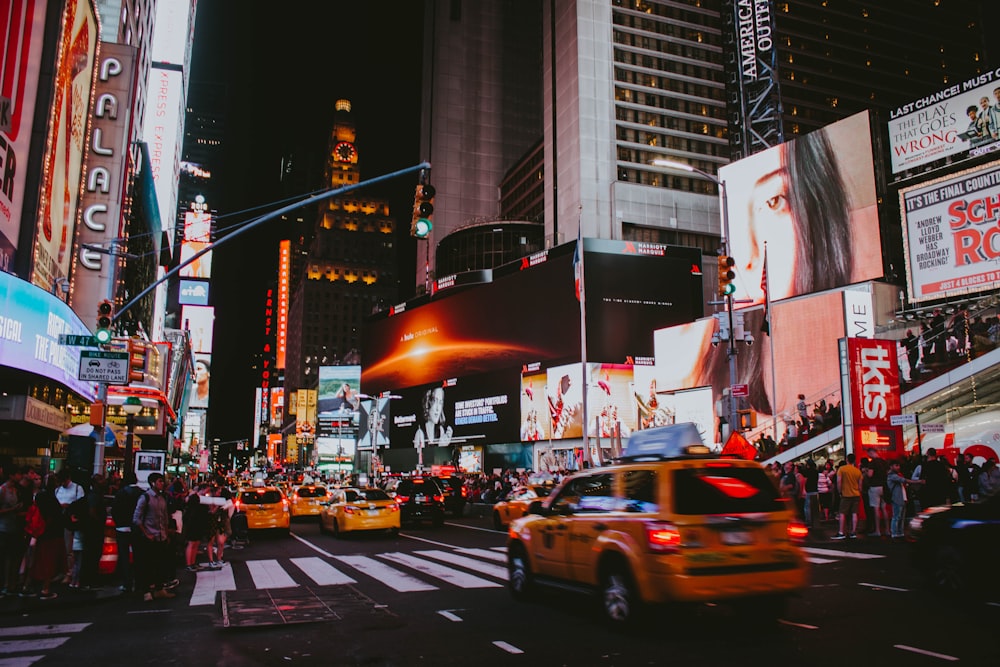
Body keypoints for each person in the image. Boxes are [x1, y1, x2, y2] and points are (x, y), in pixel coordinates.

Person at [22, 474, 66, 600]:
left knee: (34, 559)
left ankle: (26, 585)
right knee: (49, 562)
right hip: (51, 534)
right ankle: (45, 589)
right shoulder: (52, 499)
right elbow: (55, 516)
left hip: (37, 531)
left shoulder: (40, 496)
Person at [133, 472, 176, 601]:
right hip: (150, 538)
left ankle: (159, 589)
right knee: (148, 565)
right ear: (152, 483)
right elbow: (137, 518)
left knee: (160, 565)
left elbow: (165, 518)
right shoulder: (145, 498)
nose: (162, 484)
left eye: (162, 481)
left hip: (161, 536)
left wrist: (167, 534)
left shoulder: (162, 498)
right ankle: (146, 591)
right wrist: (146, 534)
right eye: (159, 481)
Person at [111, 473, 144, 593]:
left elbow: (115, 510)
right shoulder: (141, 493)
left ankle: (127, 582)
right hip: (137, 528)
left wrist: (118, 522)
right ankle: (139, 582)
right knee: (139, 555)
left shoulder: (120, 494)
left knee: (124, 556)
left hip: (122, 527)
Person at [54, 468, 84, 585]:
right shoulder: (57, 490)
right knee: (59, 548)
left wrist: (69, 506)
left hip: (69, 522)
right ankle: (60, 571)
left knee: (69, 549)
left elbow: (81, 505)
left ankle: (69, 573)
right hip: (58, 521)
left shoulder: (77, 489)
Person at [0, 468, 25, 596]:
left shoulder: (16, 489)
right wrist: (12, 510)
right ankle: (4, 585)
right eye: (18, 473)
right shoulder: (2, 490)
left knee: (12, 556)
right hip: (3, 528)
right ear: (11, 475)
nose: (20, 476)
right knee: (5, 557)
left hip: (14, 527)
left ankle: (10, 584)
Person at [886, 460, 922, 541]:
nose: (898, 467)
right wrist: (918, 481)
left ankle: (899, 533)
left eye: (898, 465)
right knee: (897, 516)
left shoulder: (895, 475)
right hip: (897, 499)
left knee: (900, 517)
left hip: (901, 498)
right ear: (891, 466)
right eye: (896, 465)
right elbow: (905, 480)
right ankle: (895, 533)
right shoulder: (892, 476)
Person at [413, 386, 453, 452]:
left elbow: (441, 460)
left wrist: (443, 447)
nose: (438, 409)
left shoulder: (440, 431)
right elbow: (419, 461)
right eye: (435, 401)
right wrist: (440, 446)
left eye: (440, 403)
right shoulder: (420, 433)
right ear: (428, 403)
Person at [833, 453, 862, 540]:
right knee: (854, 514)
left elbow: (839, 481)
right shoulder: (857, 471)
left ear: (847, 459)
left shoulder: (842, 469)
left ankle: (841, 532)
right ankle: (853, 532)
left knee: (842, 513)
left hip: (846, 494)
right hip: (856, 494)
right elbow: (860, 485)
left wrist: (840, 491)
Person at [865, 448, 890, 538]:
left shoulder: (872, 463)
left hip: (875, 487)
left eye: (868, 454)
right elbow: (888, 473)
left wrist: (866, 471)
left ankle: (877, 530)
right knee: (884, 508)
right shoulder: (884, 462)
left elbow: (870, 475)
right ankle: (887, 530)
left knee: (876, 509)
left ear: (871, 453)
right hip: (884, 486)